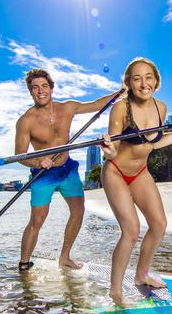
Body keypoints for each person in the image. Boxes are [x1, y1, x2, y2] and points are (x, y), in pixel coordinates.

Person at [100, 57, 172, 304]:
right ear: (129, 84)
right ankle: (115, 292)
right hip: (115, 172)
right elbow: (113, 149)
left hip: (140, 173)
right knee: (131, 230)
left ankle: (141, 275)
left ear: (156, 81)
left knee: (159, 224)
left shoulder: (160, 108)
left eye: (148, 77)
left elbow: (154, 143)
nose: (143, 83)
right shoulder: (121, 108)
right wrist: (108, 150)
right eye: (136, 78)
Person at [15, 68, 120, 271]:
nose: (40, 91)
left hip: (68, 169)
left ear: (51, 88)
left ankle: (64, 257)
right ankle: (24, 264)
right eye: (35, 88)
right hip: (43, 175)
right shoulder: (26, 121)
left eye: (44, 86)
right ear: (30, 92)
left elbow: (97, 105)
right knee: (37, 221)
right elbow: (20, 154)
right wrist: (38, 162)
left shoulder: (68, 108)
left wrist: (120, 92)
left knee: (78, 211)